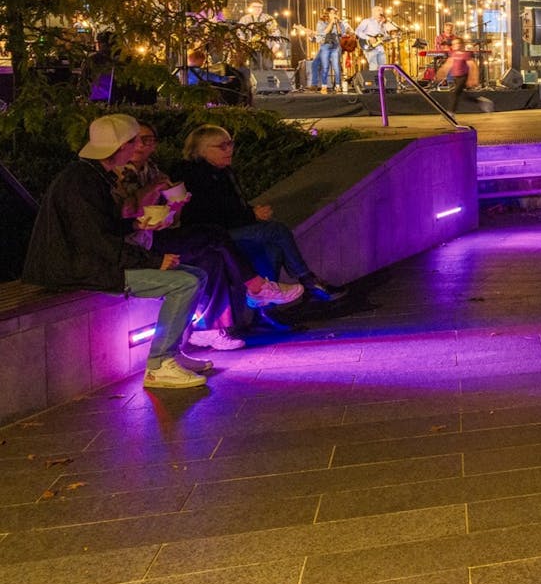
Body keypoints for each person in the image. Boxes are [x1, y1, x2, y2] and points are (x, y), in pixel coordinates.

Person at [22, 114, 210, 389]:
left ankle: (171, 352)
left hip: (90, 262)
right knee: (185, 283)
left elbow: (101, 228)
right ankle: (159, 364)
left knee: (198, 276)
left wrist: (135, 224)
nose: (138, 148)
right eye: (134, 141)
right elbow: (96, 242)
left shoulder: (94, 176)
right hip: (78, 269)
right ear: (122, 146)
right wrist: (152, 260)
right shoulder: (81, 182)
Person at [118, 123, 304, 350]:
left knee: (214, 256)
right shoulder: (122, 173)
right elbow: (128, 213)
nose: (141, 145)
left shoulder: (155, 171)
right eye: (135, 139)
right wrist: (154, 189)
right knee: (229, 235)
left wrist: (176, 206)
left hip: (156, 234)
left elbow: (171, 217)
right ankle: (261, 287)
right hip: (133, 243)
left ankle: (208, 329)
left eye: (148, 140)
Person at [173, 125, 346, 302]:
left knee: (273, 249)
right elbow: (210, 214)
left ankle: (264, 307)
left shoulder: (223, 171)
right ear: (201, 151)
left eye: (230, 143)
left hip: (228, 228)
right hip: (211, 235)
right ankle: (308, 281)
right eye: (222, 146)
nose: (229, 150)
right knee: (276, 230)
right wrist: (251, 215)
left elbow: (232, 206)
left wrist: (251, 212)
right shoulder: (196, 176)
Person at [447, 37, 494, 113]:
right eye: (454, 44)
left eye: (457, 43)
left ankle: (451, 112)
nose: (456, 45)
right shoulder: (453, 54)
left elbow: (473, 66)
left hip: (463, 77)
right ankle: (480, 101)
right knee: (462, 95)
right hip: (456, 77)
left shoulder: (465, 54)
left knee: (455, 93)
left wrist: (473, 78)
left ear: (462, 44)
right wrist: (441, 73)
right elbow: (448, 64)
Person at [314, 6, 353, 94]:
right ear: (327, 13)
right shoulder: (321, 22)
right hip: (325, 45)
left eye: (335, 13)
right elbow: (325, 32)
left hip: (336, 45)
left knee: (336, 67)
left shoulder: (339, 22)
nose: (334, 14)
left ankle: (338, 86)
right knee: (325, 67)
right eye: (332, 13)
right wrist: (331, 22)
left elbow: (341, 33)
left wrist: (338, 23)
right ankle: (324, 86)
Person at [237, 0, 279, 69]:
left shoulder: (269, 18)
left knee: (268, 69)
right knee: (253, 70)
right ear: (250, 7)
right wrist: (244, 44)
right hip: (251, 49)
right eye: (255, 7)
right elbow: (239, 32)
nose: (257, 9)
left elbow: (276, 33)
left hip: (266, 49)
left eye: (260, 7)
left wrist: (276, 45)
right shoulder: (244, 19)